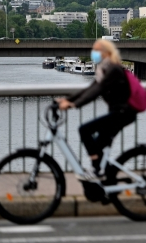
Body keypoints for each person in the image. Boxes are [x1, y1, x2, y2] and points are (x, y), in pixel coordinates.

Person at [56, 39, 137, 179]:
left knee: (85, 130)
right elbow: (90, 88)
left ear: (106, 52)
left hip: (123, 113)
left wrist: (74, 105)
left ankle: (97, 171)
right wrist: (68, 100)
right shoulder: (105, 68)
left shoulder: (113, 69)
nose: (93, 53)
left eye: (97, 50)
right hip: (118, 113)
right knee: (98, 144)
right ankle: (104, 176)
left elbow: (97, 90)